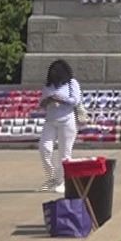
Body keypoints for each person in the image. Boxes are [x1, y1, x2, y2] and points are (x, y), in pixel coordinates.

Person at [38, 59, 84, 192]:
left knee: (64, 154)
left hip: (67, 120)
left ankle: (62, 181)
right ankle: (53, 177)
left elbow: (75, 100)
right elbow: (41, 104)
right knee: (44, 149)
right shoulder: (48, 86)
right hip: (50, 120)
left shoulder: (71, 83)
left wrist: (60, 99)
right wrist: (47, 100)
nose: (53, 76)